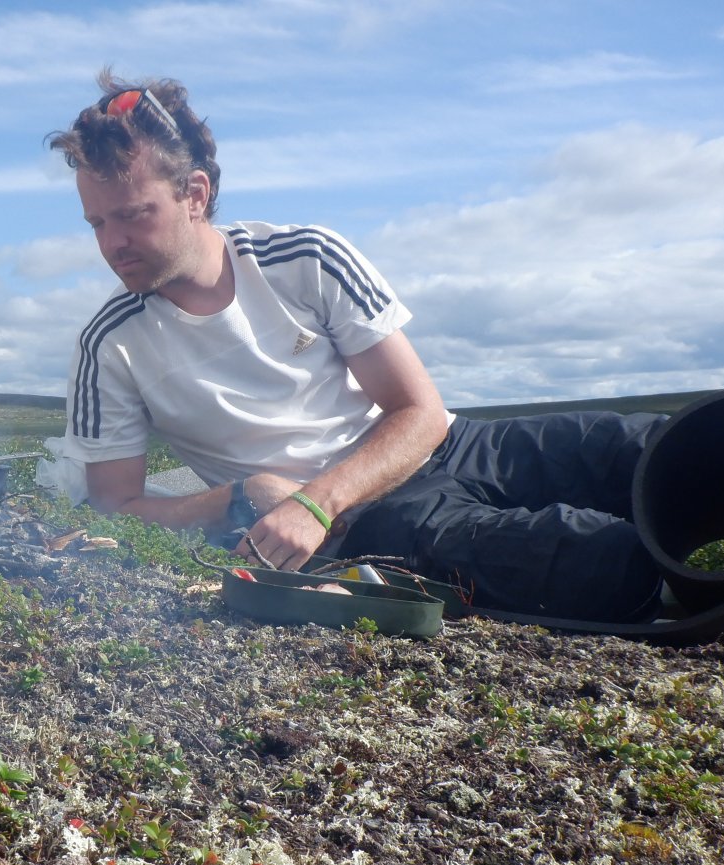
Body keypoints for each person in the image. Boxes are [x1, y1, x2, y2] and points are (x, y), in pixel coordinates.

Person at [46, 72, 666, 622]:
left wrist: (317, 500)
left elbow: (419, 411)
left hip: (445, 446)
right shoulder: (110, 345)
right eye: (97, 222)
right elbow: (115, 507)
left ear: (196, 195)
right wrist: (238, 499)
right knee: (599, 558)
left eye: (133, 215)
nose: (112, 243)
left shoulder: (305, 257)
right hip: (366, 527)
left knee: (646, 447)